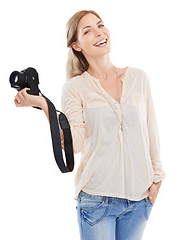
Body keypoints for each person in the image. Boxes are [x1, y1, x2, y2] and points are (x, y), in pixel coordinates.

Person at [14, 10, 165, 240]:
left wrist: (157, 180)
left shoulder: (138, 78)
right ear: (76, 45)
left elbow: (151, 131)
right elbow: (75, 144)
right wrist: (44, 105)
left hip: (139, 202)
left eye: (100, 25)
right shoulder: (75, 88)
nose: (99, 33)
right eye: (88, 31)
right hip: (97, 202)